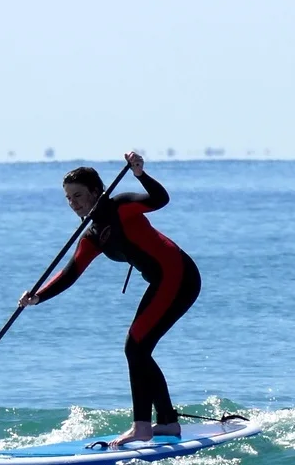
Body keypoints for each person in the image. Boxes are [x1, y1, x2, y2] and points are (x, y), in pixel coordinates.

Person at [19, 152, 201, 446]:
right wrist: (37, 297)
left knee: (136, 347)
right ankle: (166, 422)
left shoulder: (120, 206)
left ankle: (143, 426)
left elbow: (160, 199)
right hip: (163, 281)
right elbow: (71, 273)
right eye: (68, 198)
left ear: (96, 191)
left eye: (78, 195)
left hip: (179, 276)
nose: (73, 203)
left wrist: (140, 173)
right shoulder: (92, 235)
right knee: (138, 350)